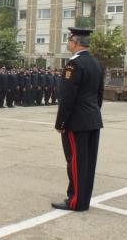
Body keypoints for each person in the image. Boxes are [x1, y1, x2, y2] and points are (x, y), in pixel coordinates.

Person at [52, 27, 104, 212]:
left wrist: (61, 123)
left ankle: (75, 201)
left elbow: (67, 97)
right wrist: (93, 113)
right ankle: (82, 199)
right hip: (93, 119)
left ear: (76, 43)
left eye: (69, 40)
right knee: (87, 162)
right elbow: (99, 95)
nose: (68, 43)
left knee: (75, 160)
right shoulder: (96, 64)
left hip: (77, 122)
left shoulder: (74, 65)